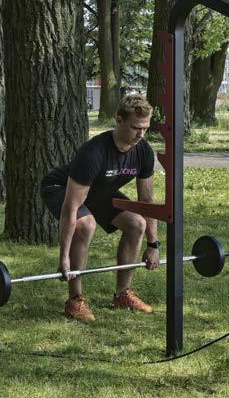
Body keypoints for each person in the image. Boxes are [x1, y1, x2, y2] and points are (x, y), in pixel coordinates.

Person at [41, 93, 160, 321]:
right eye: (136, 127)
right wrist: (63, 257)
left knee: (137, 223)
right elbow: (70, 208)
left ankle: (122, 294)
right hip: (59, 187)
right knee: (86, 224)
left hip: (98, 190)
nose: (141, 134)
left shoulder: (143, 151)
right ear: (119, 120)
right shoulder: (93, 152)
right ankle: (74, 300)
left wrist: (153, 244)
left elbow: (146, 201)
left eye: (145, 128)